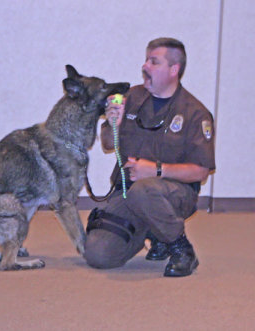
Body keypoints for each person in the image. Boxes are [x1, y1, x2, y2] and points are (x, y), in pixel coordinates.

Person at [83, 37, 216, 277]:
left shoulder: (195, 113)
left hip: (173, 195)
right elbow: (105, 143)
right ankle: (155, 232)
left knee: (143, 191)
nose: (145, 66)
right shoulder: (132, 97)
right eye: (146, 60)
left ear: (173, 70)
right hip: (127, 190)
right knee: (98, 254)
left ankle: (180, 248)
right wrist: (113, 122)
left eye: (154, 62)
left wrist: (156, 170)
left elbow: (201, 171)